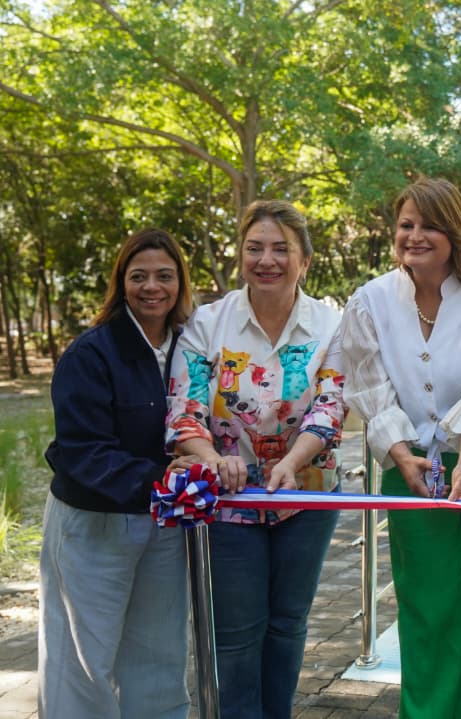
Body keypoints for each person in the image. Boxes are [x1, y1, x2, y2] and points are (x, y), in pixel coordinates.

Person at [338, 177, 461, 719]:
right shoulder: (369, 301)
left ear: (454, 231)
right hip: (408, 468)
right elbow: (369, 388)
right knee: (428, 607)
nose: (414, 236)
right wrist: (398, 453)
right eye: (406, 225)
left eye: (429, 225)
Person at [166, 200, 347, 719]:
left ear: (304, 260)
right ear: (240, 256)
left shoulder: (331, 325)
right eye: (254, 248)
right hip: (227, 499)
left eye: (281, 249)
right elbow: (185, 406)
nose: (267, 260)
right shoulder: (208, 323)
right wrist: (208, 457)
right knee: (237, 633)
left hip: (305, 493)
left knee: (289, 622)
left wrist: (294, 460)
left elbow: (332, 406)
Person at [39, 228, 194, 718]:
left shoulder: (190, 348)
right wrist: (164, 480)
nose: (152, 287)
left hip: (164, 522)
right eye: (139, 276)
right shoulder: (90, 353)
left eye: (164, 276)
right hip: (95, 523)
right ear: (120, 282)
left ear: (180, 283)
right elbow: (83, 451)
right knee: (83, 659)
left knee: (160, 652)